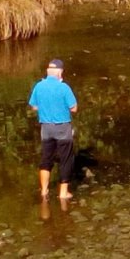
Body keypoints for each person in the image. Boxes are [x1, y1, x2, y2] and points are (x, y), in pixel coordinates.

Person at [29, 59, 78, 199]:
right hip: (63, 127)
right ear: (60, 72)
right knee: (65, 159)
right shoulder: (64, 88)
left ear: (47, 72)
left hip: (46, 128)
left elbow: (33, 106)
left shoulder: (39, 86)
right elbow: (74, 108)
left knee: (46, 159)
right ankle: (63, 193)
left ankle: (44, 191)